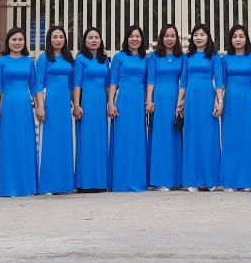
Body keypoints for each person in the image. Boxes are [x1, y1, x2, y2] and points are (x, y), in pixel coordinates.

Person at [0, 27, 37, 197]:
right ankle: (9, 187)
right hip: (8, 105)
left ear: (24, 42)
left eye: (20, 39)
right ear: (8, 42)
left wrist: (38, 106)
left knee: (25, 143)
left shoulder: (29, 61)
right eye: (14, 39)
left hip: (25, 105)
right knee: (8, 143)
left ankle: (27, 186)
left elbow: (33, 86)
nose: (17, 43)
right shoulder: (0, 62)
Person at [178, 23, 221, 191]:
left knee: (209, 137)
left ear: (208, 37)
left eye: (202, 34)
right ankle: (192, 179)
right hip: (191, 98)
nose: (198, 37)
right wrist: (180, 101)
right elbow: (183, 81)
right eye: (195, 34)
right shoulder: (188, 57)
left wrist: (219, 101)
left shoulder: (214, 56)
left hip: (207, 97)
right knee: (192, 136)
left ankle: (210, 180)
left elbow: (219, 81)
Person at [219, 24, 251, 191]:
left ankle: (248, 181)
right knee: (230, 139)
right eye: (235, 36)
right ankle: (230, 181)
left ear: (246, 38)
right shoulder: (225, 59)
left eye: (241, 36)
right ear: (230, 39)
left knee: (248, 138)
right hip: (230, 100)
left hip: (247, 100)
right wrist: (219, 101)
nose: (238, 39)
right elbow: (221, 83)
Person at [108, 25, 149, 192]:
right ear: (126, 38)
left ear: (142, 39)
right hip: (123, 99)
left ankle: (138, 180)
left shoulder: (146, 59)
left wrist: (148, 101)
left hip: (139, 100)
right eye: (131, 36)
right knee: (122, 138)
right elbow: (113, 82)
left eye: (137, 36)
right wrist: (111, 102)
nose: (134, 39)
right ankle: (120, 181)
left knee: (138, 139)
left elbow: (147, 83)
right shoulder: (119, 57)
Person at [35, 25, 75, 195]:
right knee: (50, 141)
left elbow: (72, 85)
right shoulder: (43, 58)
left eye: (61, 37)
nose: (58, 40)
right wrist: (40, 106)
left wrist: (76, 104)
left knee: (65, 140)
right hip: (50, 100)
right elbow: (38, 84)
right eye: (55, 37)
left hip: (65, 102)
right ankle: (48, 184)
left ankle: (64, 184)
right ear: (49, 39)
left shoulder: (68, 59)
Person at [146, 23, 185, 191]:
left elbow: (184, 81)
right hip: (159, 99)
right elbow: (151, 80)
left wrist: (181, 101)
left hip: (175, 98)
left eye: (173, 36)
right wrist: (149, 100)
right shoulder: (154, 57)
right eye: (166, 36)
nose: (169, 39)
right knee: (159, 136)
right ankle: (159, 179)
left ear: (177, 38)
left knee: (174, 135)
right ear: (161, 38)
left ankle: (175, 179)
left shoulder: (182, 57)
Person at [73, 27, 111, 191]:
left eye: (96, 37)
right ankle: (85, 183)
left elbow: (108, 84)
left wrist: (110, 103)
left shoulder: (105, 60)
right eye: (90, 37)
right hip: (86, 101)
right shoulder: (80, 59)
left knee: (100, 140)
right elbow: (76, 84)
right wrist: (77, 104)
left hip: (101, 102)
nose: (94, 40)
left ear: (101, 40)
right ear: (85, 41)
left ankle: (100, 182)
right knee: (86, 140)